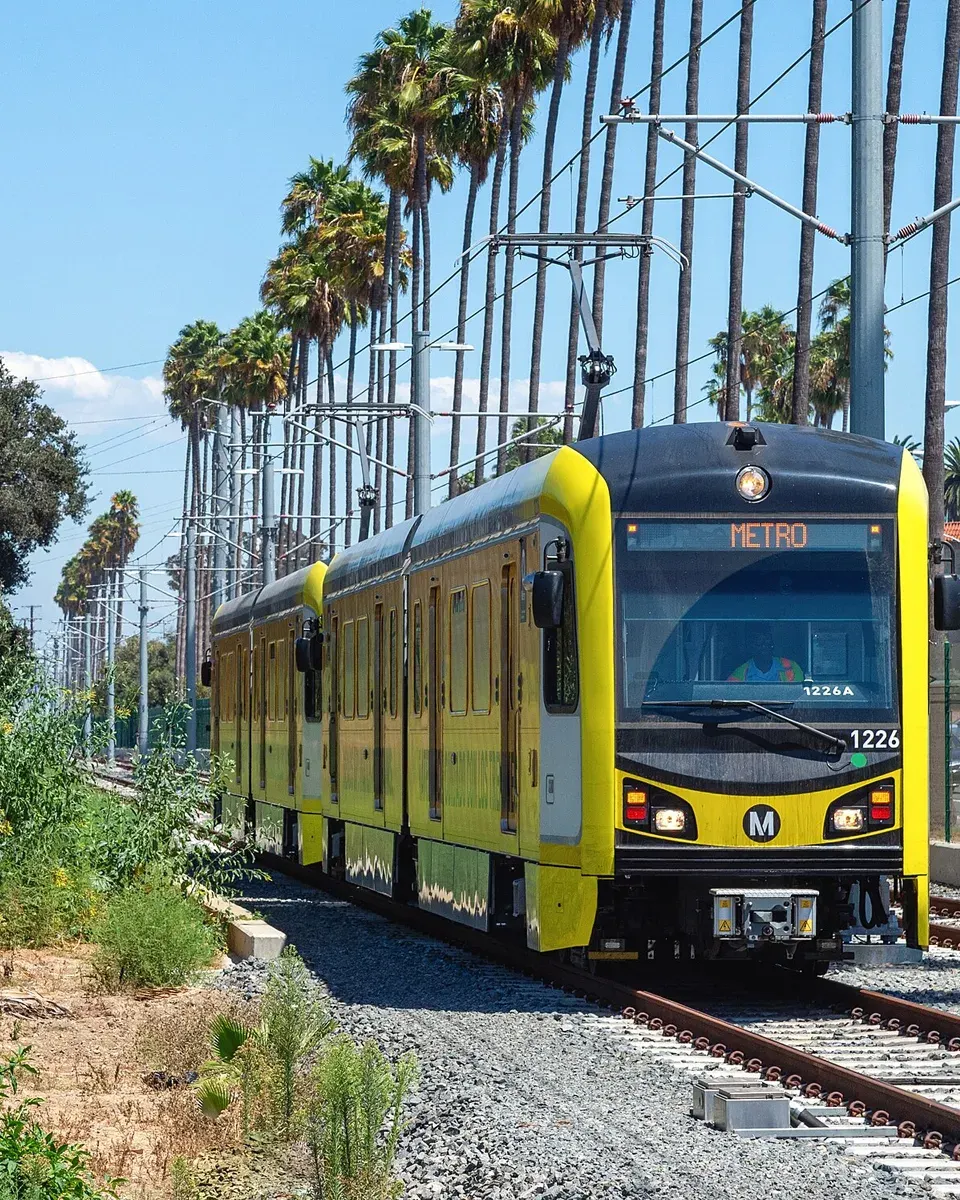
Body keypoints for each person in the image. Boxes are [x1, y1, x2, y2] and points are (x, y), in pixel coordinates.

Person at [728, 624, 803, 683]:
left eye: (767, 640)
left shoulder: (792, 667)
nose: (764, 645)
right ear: (750, 646)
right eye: (758, 641)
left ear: (772, 643)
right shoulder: (739, 674)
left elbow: (800, 697)